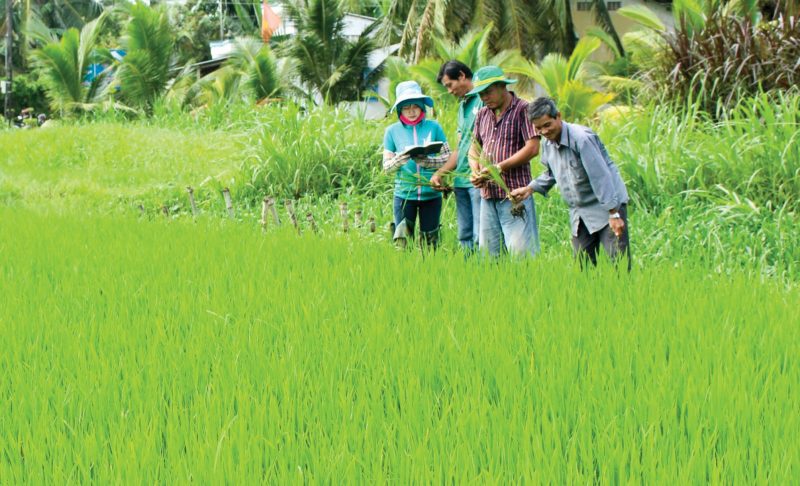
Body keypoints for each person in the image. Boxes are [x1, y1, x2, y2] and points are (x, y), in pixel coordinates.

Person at [509, 97, 631, 270]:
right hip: (580, 212)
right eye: (538, 128)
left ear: (558, 116)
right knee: (582, 265)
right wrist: (530, 189)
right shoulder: (548, 144)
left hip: (607, 206)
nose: (544, 131)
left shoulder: (581, 139)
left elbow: (600, 176)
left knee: (618, 264)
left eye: (547, 125)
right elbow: (551, 173)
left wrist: (614, 214)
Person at [466, 65, 540, 257]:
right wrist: (475, 170)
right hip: (488, 195)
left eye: (488, 92)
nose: (484, 97)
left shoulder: (523, 109)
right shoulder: (482, 114)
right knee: (489, 256)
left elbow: (533, 147)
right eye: (480, 94)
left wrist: (499, 167)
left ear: (502, 86)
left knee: (521, 255)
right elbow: (474, 147)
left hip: (514, 195)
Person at [383, 80, 451, 248]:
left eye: (415, 106)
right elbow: (386, 167)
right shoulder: (391, 131)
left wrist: (429, 162)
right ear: (400, 110)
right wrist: (400, 159)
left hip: (431, 194)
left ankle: (429, 264)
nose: (411, 111)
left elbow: (449, 157)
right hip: (404, 195)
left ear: (422, 107)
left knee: (431, 242)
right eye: (406, 107)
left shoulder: (434, 127)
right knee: (402, 242)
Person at [430, 60, 483, 253]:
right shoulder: (462, 107)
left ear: (461, 76)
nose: (449, 91)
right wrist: (440, 173)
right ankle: (468, 268)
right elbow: (460, 148)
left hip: (477, 179)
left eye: (450, 85)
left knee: (480, 235)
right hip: (461, 180)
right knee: (464, 235)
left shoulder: (484, 100)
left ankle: (483, 269)